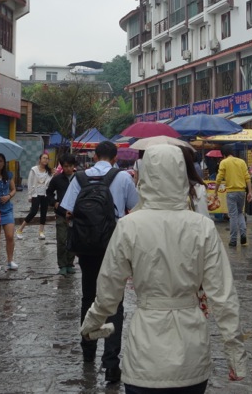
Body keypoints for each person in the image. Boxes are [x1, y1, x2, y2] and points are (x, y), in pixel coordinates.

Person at [81, 144, 247, 392]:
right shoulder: (202, 227)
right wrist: (235, 354)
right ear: (181, 174)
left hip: (145, 352)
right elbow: (223, 296)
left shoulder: (129, 226)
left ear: (145, 175)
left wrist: (91, 324)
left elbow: (108, 292)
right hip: (192, 352)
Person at [62, 140, 139, 385]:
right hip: (115, 247)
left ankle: (88, 351)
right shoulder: (124, 178)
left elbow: (67, 210)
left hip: (86, 247)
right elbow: (135, 208)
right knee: (115, 302)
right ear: (115, 158)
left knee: (88, 297)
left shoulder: (79, 178)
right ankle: (111, 364)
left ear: (95, 156)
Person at [47, 154, 78, 275]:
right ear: (62, 166)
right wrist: (54, 203)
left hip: (75, 214)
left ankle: (70, 263)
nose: (68, 169)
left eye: (70, 166)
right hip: (61, 213)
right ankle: (62, 265)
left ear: (74, 166)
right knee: (61, 240)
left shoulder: (79, 178)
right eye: (66, 166)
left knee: (73, 240)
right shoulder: (57, 179)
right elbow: (49, 193)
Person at [214, 144, 251, 247]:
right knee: (240, 213)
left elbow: (219, 178)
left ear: (224, 154)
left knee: (233, 216)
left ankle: (233, 240)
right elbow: (247, 177)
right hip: (242, 192)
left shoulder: (224, 162)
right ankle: (243, 235)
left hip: (231, 192)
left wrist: (215, 192)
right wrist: (250, 192)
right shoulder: (241, 162)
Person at [16, 152, 53, 240]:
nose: (45, 160)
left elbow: (50, 183)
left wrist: (53, 174)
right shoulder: (34, 170)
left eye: (47, 158)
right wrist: (29, 195)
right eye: (44, 158)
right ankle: (20, 229)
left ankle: (41, 231)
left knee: (44, 212)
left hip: (45, 194)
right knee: (33, 212)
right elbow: (30, 182)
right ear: (40, 159)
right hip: (35, 193)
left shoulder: (49, 171)